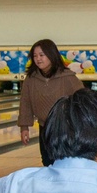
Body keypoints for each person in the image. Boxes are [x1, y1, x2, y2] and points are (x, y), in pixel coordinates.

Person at [18, 38, 83, 166]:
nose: (38, 59)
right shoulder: (31, 79)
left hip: (64, 127)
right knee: (47, 161)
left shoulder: (67, 77)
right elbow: (25, 102)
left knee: (64, 161)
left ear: (51, 55)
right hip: (44, 127)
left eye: (42, 55)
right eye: (35, 56)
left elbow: (82, 99)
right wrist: (24, 127)